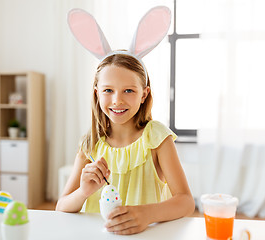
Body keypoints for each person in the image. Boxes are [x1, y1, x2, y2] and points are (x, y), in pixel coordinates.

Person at [56, 6, 195, 235]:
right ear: (96, 93)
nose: (117, 100)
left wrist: (146, 214)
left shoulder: (157, 138)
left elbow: (186, 202)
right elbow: (61, 207)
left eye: (128, 90)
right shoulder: (91, 143)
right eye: (108, 90)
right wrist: (83, 191)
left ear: (144, 94)